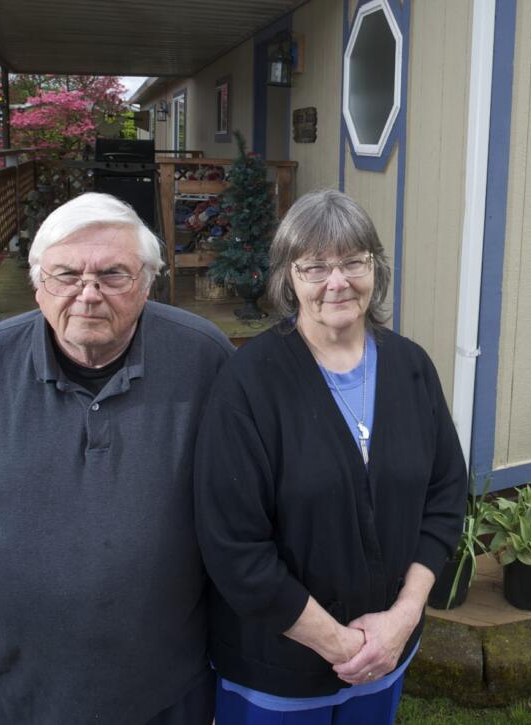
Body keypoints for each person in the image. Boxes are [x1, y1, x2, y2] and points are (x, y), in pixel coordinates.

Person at [0, 192, 235, 725]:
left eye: (113, 275)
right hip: (17, 692)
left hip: (163, 693)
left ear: (146, 282)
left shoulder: (204, 358)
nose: (88, 295)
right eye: (66, 275)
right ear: (37, 282)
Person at [194, 188, 466, 725]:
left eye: (352, 263)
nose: (336, 282)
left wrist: (402, 619)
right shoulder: (248, 384)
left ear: (375, 269)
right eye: (314, 266)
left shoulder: (412, 368)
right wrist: (345, 646)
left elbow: (444, 496)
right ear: (287, 278)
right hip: (277, 675)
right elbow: (233, 548)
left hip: (385, 656)